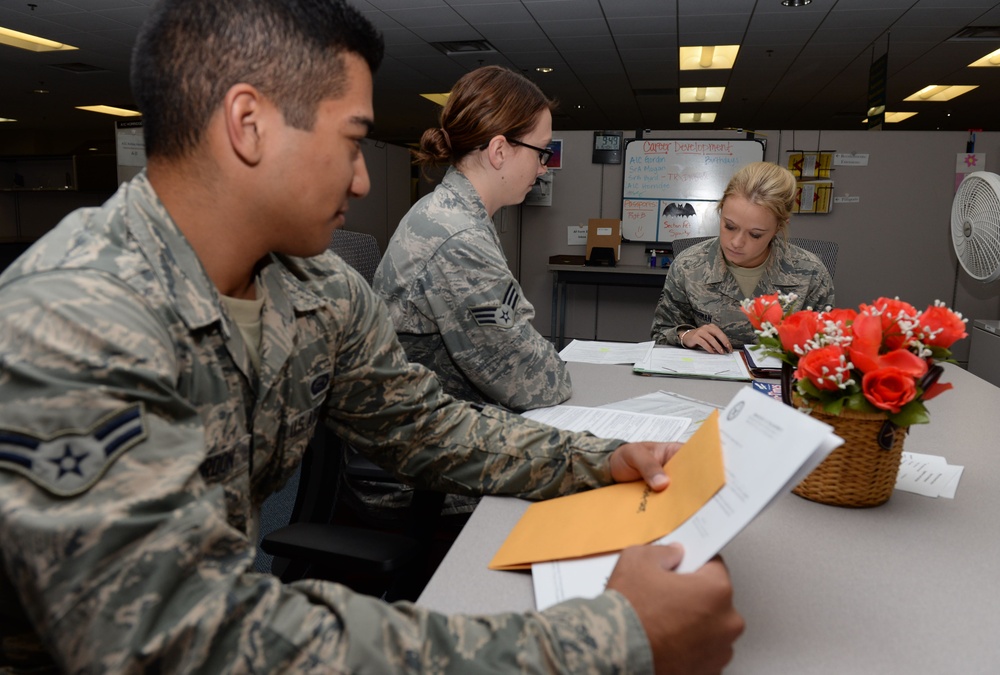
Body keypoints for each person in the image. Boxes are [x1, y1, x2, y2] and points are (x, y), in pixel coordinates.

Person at [0, 1, 744, 673]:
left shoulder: (317, 289)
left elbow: (429, 426)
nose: (362, 180)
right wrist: (608, 640)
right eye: (352, 141)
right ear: (247, 124)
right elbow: (178, 637)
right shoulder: (71, 318)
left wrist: (599, 458)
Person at [374, 65, 570, 413]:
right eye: (541, 152)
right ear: (499, 151)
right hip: (426, 433)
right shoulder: (458, 236)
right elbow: (537, 383)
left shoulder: (454, 214)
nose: (544, 167)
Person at [651, 161, 835, 353]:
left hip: (779, 382)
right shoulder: (688, 266)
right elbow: (661, 333)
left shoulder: (811, 273)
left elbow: (826, 349)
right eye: (729, 226)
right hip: (707, 379)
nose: (736, 242)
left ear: (779, 227)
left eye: (755, 234)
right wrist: (686, 335)